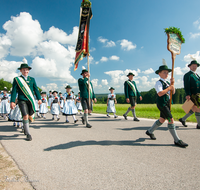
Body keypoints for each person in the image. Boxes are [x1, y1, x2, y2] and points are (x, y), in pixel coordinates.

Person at [145, 64, 188, 148]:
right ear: (159, 74)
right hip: (162, 104)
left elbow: (173, 92)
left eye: (167, 73)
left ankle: (149, 131)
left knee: (162, 119)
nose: (166, 74)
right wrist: (169, 88)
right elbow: (160, 93)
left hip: (167, 103)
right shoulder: (158, 82)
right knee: (171, 120)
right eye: (164, 72)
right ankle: (177, 140)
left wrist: (172, 84)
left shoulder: (167, 82)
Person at [10, 58, 42, 141]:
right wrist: (12, 101)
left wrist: (39, 98)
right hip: (22, 100)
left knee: (30, 116)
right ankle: (28, 134)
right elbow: (14, 91)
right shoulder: (17, 79)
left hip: (30, 100)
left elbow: (36, 90)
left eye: (27, 70)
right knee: (25, 115)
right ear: (21, 71)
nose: (25, 71)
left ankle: (25, 126)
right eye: (24, 70)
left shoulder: (32, 79)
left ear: (28, 71)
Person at [179, 60, 200, 129]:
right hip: (193, 94)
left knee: (196, 108)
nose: (194, 67)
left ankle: (183, 119)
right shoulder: (187, 75)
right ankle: (199, 125)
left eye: (195, 66)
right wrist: (188, 94)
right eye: (193, 66)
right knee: (197, 108)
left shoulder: (196, 75)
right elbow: (186, 85)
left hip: (198, 94)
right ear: (190, 67)